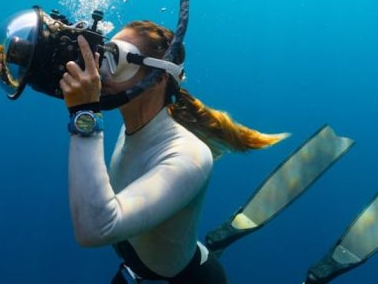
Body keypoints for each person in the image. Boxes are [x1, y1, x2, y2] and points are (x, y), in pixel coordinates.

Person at [61, 21, 287, 283]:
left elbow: (96, 229)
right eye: (104, 53)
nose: (102, 70)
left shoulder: (189, 156)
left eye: (117, 57)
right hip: (138, 270)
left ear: (159, 78)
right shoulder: (132, 128)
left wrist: (84, 116)